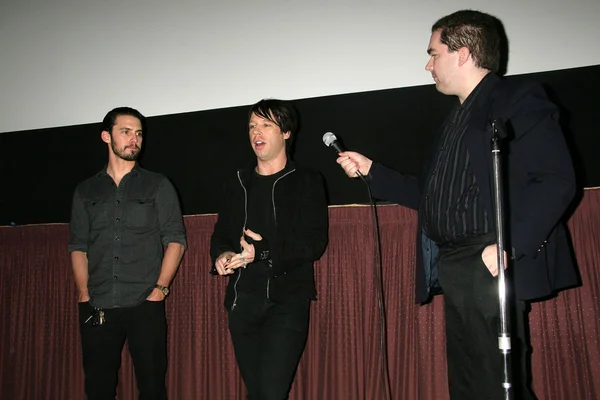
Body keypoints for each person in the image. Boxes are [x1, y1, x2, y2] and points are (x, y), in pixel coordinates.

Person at [336, 10, 578, 400]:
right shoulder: (454, 120)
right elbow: (432, 196)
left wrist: (507, 245)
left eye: (434, 53)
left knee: (496, 381)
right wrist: (373, 172)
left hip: (489, 255)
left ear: (463, 54)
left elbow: (556, 179)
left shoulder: (515, 99)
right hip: (456, 263)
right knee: (467, 383)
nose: (428, 64)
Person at [210, 99, 329, 400]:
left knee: (271, 393)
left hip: (286, 302)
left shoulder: (306, 181)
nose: (256, 132)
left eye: (266, 124)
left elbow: (314, 243)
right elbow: (221, 235)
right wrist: (223, 255)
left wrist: (262, 251)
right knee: (258, 392)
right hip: (242, 302)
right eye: (252, 126)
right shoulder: (238, 181)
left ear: (286, 132)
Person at [68, 107, 187, 400]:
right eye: (126, 132)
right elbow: (78, 246)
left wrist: (159, 290)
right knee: (97, 388)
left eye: (139, 134)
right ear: (106, 136)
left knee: (151, 387)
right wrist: (84, 295)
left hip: (144, 303)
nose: (134, 139)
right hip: (98, 303)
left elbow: (176, 241)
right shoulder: (86, 191)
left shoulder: (158, 185)